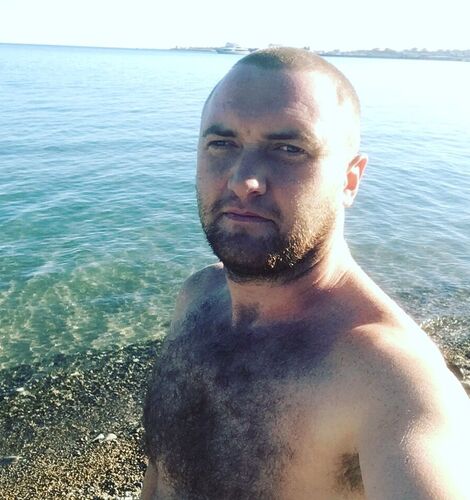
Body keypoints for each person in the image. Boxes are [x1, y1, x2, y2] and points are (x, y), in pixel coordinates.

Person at [142, 47, 469, 499]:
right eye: (222, 144)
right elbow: (162, 473)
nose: (243, 180)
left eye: (289, 149)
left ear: (349, 180)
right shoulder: (197, 297)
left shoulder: (392, 380)